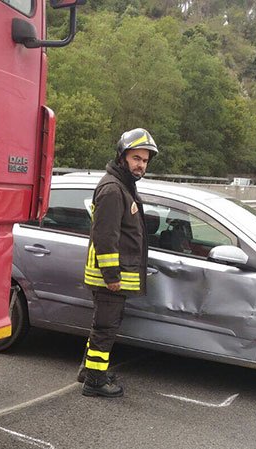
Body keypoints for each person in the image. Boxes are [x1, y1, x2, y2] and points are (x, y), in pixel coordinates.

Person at [78, 128, 158, 398]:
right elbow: (105, 236)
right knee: (105, 329)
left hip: (112, 277)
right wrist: (112, 275)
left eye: (145, 161)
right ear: (122, 156)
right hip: (108, 278)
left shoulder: (123, 185)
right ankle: (95, 382)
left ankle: (89, 370)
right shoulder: (113, 189)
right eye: (136, 158)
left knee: (101, 326)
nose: (141, 165)